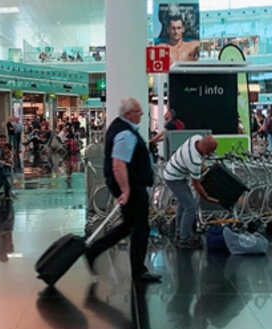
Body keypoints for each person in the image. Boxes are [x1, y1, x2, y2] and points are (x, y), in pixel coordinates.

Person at [86, 98, 160, 282]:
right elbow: (118, 164)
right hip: (132, 186)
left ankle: (94, 250)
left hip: (130, 184)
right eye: (138, 112)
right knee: (141, 227)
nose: (142, 115)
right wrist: (125, 190)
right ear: (128, 114)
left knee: (129, 225)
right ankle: (138, 271)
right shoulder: (125, 134)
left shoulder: (120, 128)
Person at [163, 134, 219, 249]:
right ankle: (184, 239)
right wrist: (206, 197)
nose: (209, 155)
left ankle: (179, 233)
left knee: (183, 204)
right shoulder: (194, 161)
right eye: (209, 152)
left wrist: (205, 167)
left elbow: (201, 160)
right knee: (191, 207)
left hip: (173, 171)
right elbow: (196, 184)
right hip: (174, 179)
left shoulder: (195, 138)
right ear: (205, 150)